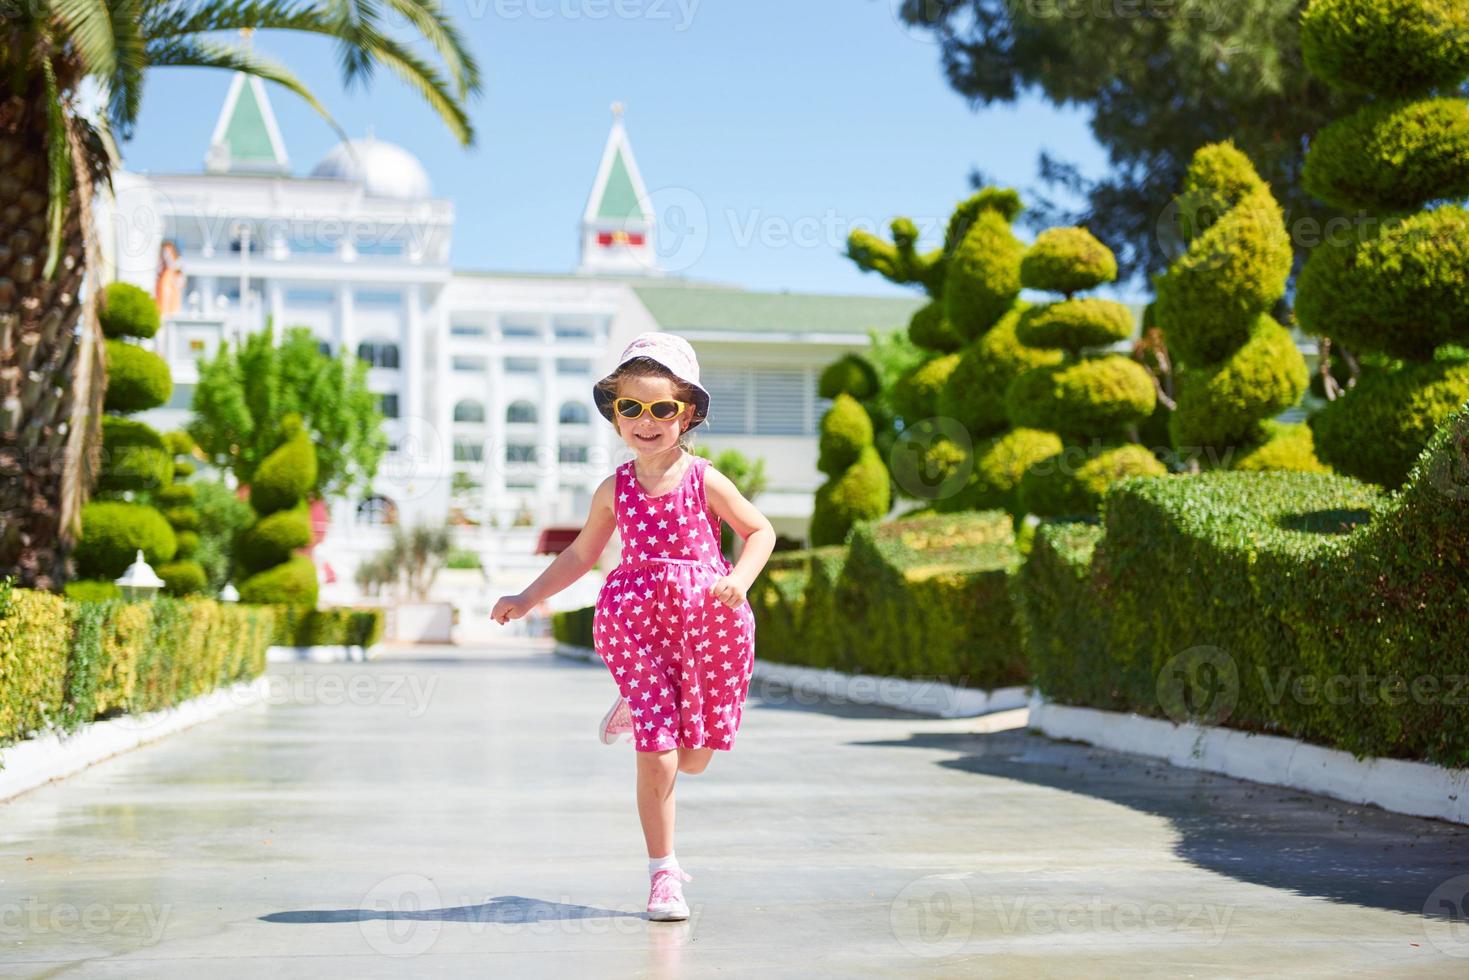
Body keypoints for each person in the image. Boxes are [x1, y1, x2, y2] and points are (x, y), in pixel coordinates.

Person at [491, 331, 776, 922]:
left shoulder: (705, 479)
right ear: (616, 414)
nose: (646, 421)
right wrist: (526, 596)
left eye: (662, 408)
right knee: (659, 752)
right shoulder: (614, 490)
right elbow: (577, 556)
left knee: (694, 757)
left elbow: (760, 532)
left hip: (707, 632)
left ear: (687, 413)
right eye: (631, 408)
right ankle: (663, 875)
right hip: (634, 628)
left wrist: (740, 580)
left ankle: (642, 708)